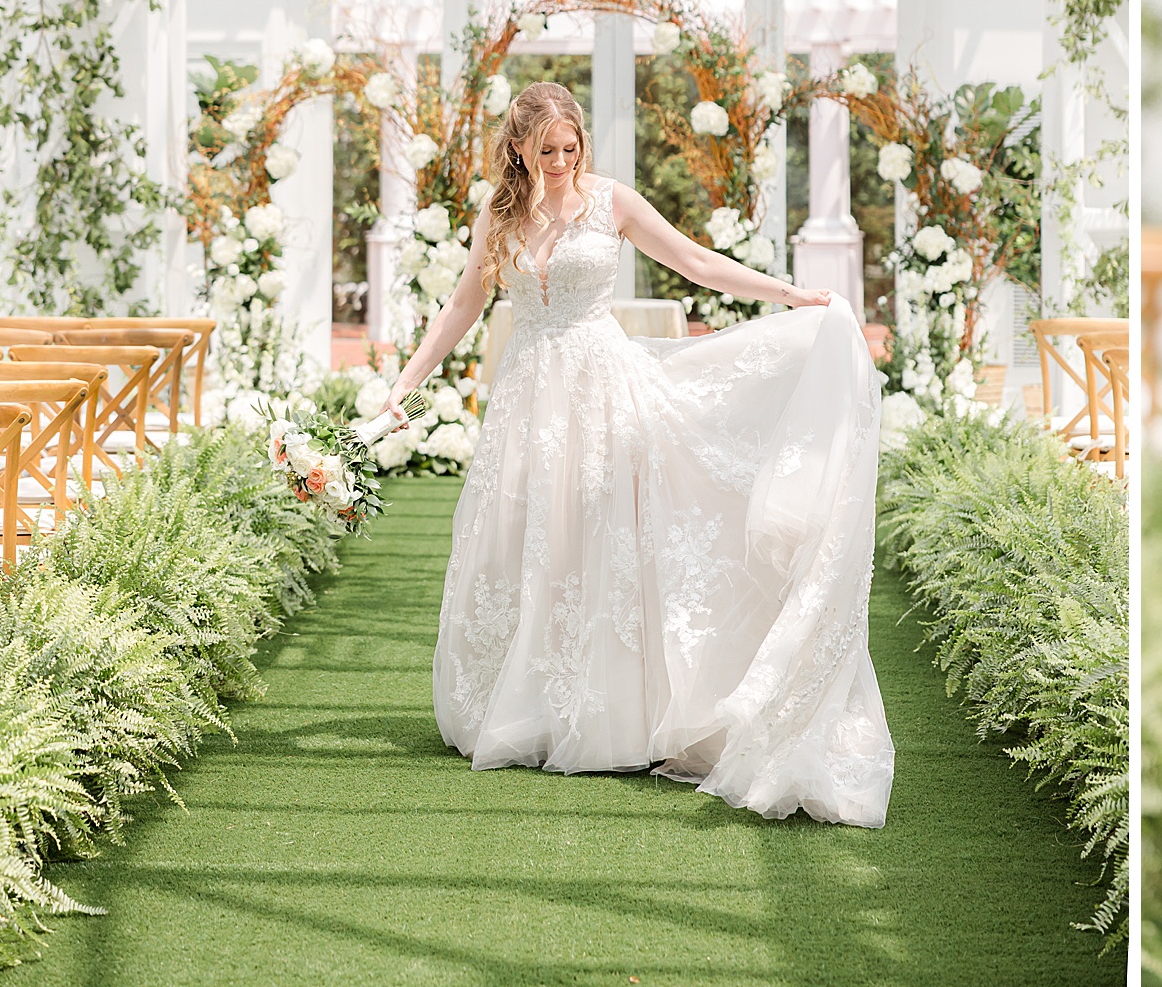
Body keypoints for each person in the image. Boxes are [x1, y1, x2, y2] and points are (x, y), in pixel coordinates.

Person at [380, 79, 892, 828]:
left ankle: (616, 708)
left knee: (607, 536)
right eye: (546, 149)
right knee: (532, 540)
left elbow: (696, 262)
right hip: (529, 396)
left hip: (604, 387)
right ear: (518, 145)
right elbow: (463, 306)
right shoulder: (495, 216)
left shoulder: (611, 200)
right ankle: (531, 701)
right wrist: (404, 384)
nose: (560, 162)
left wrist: (789, 294)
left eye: (571, 147)